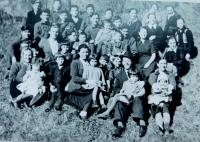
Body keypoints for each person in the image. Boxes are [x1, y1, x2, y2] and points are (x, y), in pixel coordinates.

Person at [111, 52, 147, 138]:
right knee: (119, 103)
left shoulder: (138, 71)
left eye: (128, 61)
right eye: (124, 61)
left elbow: (146, 81)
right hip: (126, 99)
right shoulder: (119, 75)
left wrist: (142, 84)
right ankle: (120, 125)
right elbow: (116, 89)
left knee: (138, 99)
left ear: (132, 62)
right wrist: (123, 92)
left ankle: (142, 123)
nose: (126, 63)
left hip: (136, 98)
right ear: (122, 62)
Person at [64, 44, 94, 119]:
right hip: (76, 85)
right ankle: (84, 110)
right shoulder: (75, 62)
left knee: (96, 89)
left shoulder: (90, 62)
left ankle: (84, 111)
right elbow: (74, 78)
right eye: (83, 52)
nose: (85, 54)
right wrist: (86, 81)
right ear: (79, 53)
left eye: (87, 52)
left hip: (88, 85)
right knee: (93, 92)